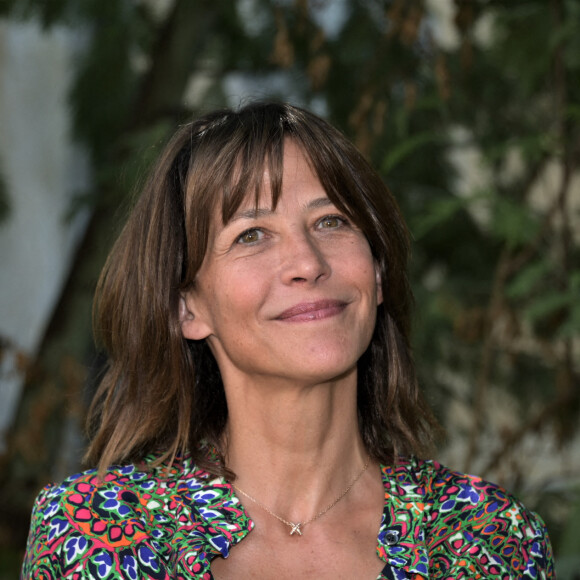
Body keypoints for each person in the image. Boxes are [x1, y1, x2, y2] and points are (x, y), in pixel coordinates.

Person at [22, 101, 553, 579]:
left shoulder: (489, 539)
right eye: (251, 235)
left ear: (377, 273)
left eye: (331, 221)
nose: (307, 262)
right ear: (187, 307)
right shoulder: (95, 535)